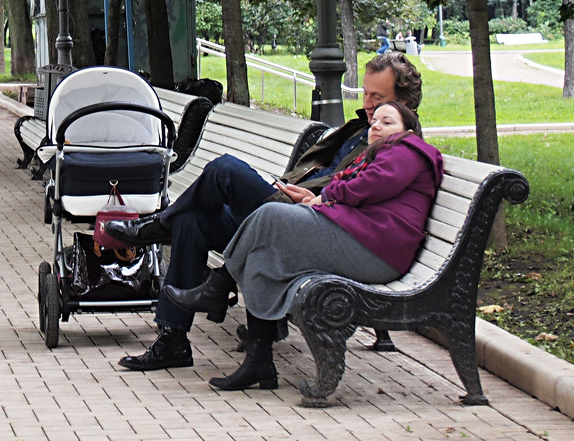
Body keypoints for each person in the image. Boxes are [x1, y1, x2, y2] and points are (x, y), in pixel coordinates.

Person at [108, 51, 424, 372]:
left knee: (225, 169)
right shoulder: (361, 129)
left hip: (305, 225)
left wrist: (316, 200)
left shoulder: (397, 146)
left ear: (404, 104)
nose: (369, 103)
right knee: (192, 221)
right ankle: (173, 340)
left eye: (378, 97)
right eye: (367, 94)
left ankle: (154, 229)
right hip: (287, 209)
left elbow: (363, 198)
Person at [177, 102, 443, 391]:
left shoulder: (408, 150)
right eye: (375, 121)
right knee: (263, 255)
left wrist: (325, 195)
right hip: (361, 240)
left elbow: (366, 187)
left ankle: (217, 286)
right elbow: (350, 184)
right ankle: (259, 362)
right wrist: (323, 197)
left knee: (269, 215)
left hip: (378, 253)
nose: (376, 126)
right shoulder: (379, 154)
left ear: (408, 130)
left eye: (387, 122)